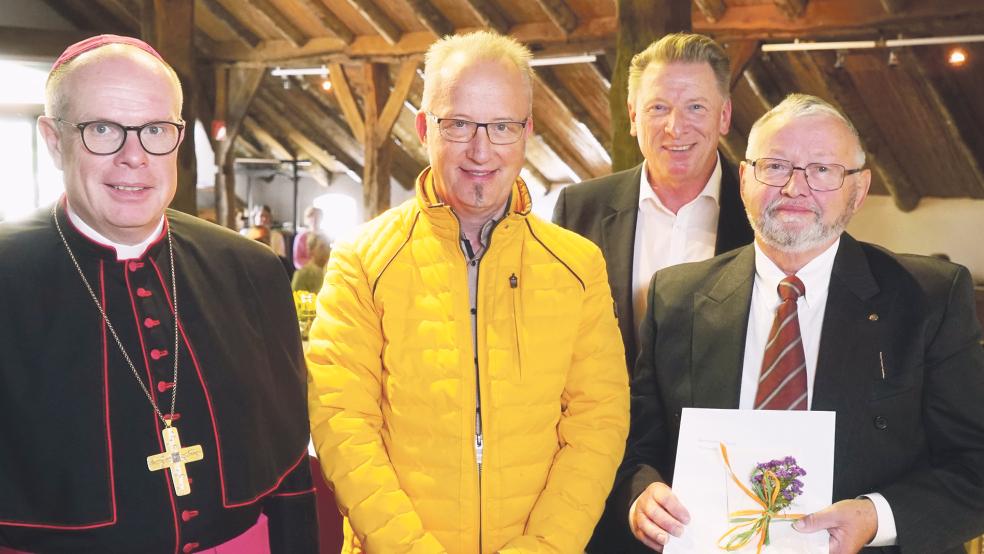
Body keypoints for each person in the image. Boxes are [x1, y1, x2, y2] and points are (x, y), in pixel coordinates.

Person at [307, 31, 629, 553]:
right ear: (423, 127)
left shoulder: (577, 266)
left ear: (526, 131)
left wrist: (545, 546)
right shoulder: (362, 260)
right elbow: (343, 423)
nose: (481, 150)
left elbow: (598, 420)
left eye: (501, 126)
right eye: (458, 124)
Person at [619, 94, 984, 554]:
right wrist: (640, 495)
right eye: (775, 166)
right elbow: (636, 443)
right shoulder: (677, 296)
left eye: (823, 170)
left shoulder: (929, 298)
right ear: (744, 178)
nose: (795, 187)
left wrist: (875, 518)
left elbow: (975, 463)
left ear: (859, 187)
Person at [0, 35, 318, 553]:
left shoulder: (252, 271)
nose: (135, 156)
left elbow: (287, 472)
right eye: (102, 129)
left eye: (155, 130)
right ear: (54, 140)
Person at [553, 33, 753, 373]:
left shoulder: (761, 208)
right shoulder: (580, 209)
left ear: (724, 115)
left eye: (696, 107)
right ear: (633, 117)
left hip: (724, 425)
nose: (675, 128)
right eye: (658, 108)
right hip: (612, 422)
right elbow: (557, 336)